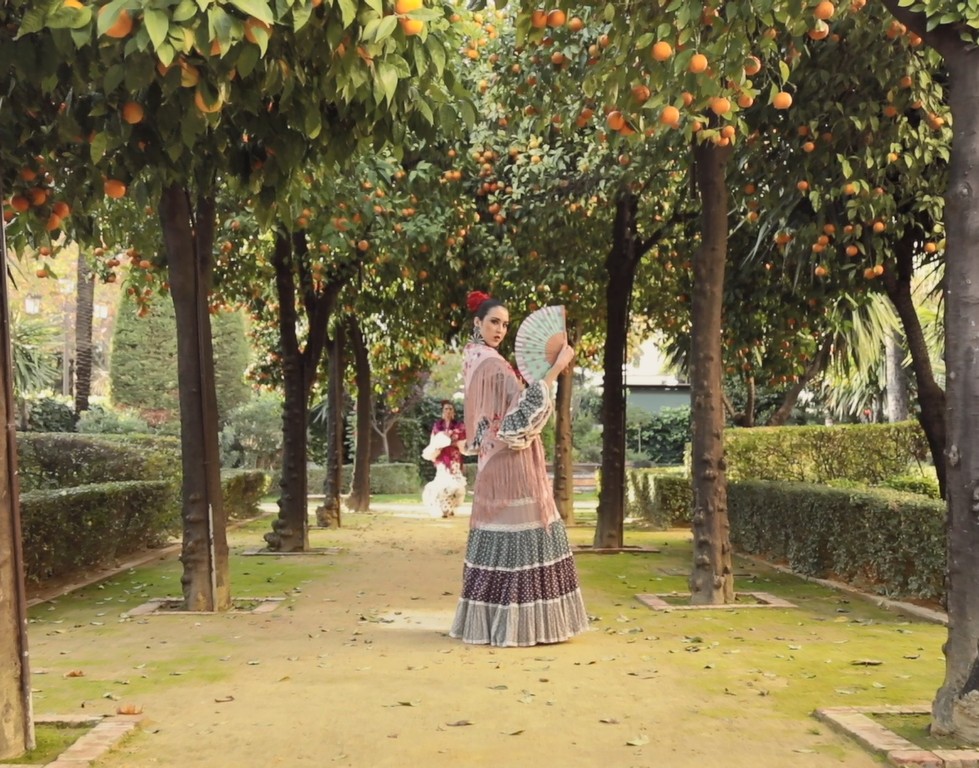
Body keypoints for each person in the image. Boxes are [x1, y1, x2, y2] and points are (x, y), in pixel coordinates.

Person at [449, 290, 588, 647]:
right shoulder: (492, 364)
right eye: (494, 321)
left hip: (492, 466)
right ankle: (522, 627)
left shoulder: (474, 358)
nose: (500, 329)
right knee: (527, 538)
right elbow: (514, 424)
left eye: (506, 324)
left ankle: (492, 624)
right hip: (511, 465)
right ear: (477, 323)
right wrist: (555, 369)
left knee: (503, 542)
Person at [421, 401, 467, 518]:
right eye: (446, 409)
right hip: (442, 457)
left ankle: (450, 507)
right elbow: (433, 442)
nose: (448, 411)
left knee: (454, 484)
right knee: (442, 483)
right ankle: (443, 508)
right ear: (443, 411)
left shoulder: (459, 426)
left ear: (453, 412)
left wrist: (452, 442)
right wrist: (433, 453)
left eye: (450, 409)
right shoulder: (437, 426)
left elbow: (463, 442)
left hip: (454, 457)